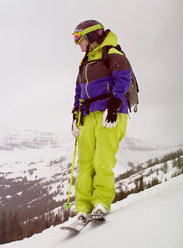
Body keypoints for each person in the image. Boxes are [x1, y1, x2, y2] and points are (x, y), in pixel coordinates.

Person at [71, 20, 131, 220]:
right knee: (85, 162)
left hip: (109, 114)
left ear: (91, 36)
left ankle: (101, 203)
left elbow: (123, 79)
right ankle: (82, 208)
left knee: (102, 160)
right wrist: (75, 115)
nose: (77, 43)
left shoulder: (112, 53)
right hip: (88, 115)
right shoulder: (85, 61)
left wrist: (114, 106)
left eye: (79, 38)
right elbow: (79, 90)